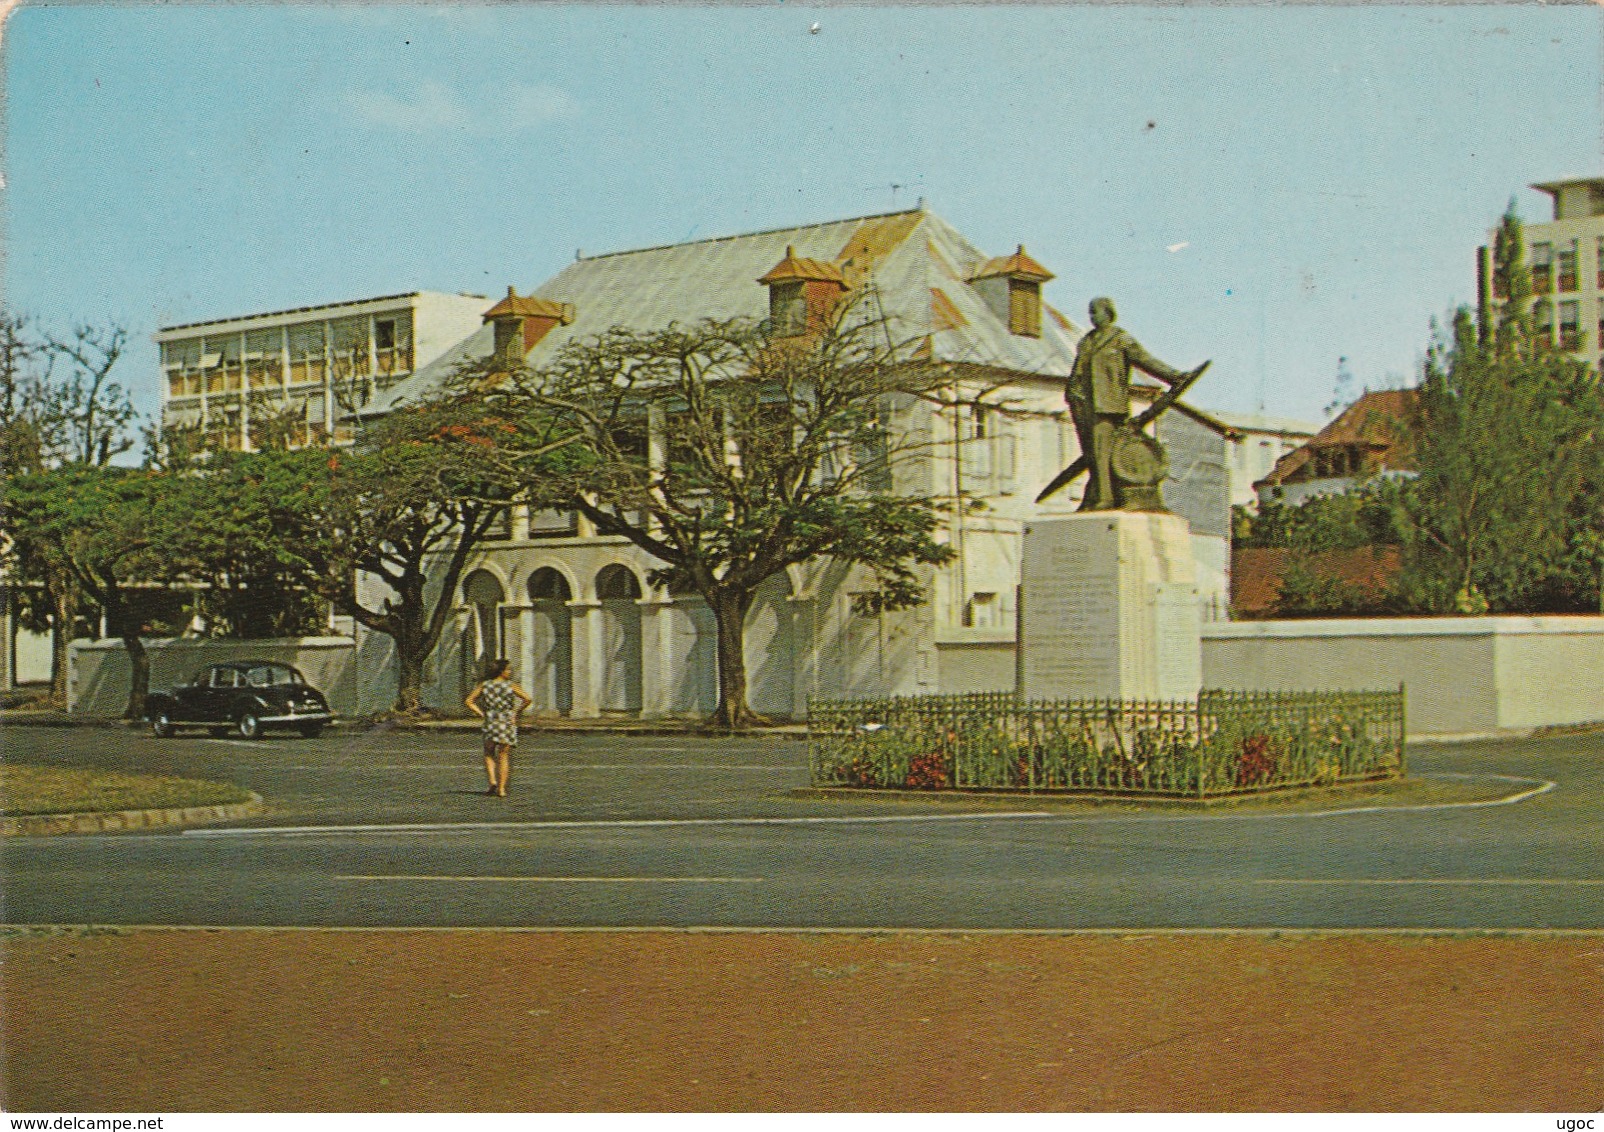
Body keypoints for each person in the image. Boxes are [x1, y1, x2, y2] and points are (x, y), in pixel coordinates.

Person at [1067, 297, 1193, 511]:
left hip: (1108, 404)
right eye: (1089, 313)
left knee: (1102, 452)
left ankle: (1104, 498)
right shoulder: (1086, 341)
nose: (1091, 317)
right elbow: (1077, 372)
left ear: (1108, 313)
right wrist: (1072, 393)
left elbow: (1146, 360)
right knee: (1092, 454)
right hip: (1084, 405)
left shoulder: (1120, 339)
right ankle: (1095, 496)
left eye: (1095, 312)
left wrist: (1174, 376)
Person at [464, 658, 532, 798]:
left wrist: (481, 713)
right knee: (504, 755)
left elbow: (469, 701)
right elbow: (527, 699)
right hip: (506, 720)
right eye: (507, 669)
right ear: (501, 671)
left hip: (491, 720)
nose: (509, 672)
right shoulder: (510, 685)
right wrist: (516, 712)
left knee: (489, 752)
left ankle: (492, 782)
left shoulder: (485, 685)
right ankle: (501, 789)